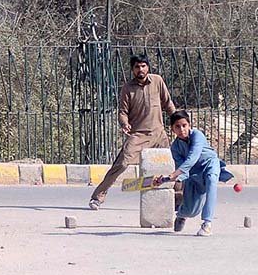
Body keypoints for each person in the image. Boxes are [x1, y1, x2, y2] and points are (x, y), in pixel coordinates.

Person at [89, 54, 176, 210]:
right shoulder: (127, 88)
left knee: (170, 166)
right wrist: (124, 123)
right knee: (121, 164)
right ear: (132, 69)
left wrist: (178, 121)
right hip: (138, 135)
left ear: (148, 67)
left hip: (158, 134)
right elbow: (122, 111)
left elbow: (168, 104)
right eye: (137, 67)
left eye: (143, 66)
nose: (140, 69)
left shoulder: (157, 81)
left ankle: (178, 198)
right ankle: (98, 196)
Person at [158, 110, 233, 236]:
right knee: (191, 211)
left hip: (210, 164)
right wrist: (166, 179)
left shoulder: (197, 135)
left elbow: (192, 157)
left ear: (189, 125)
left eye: (184, 125)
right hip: (194, 176)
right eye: (177, 126)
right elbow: (183, 172)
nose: (181, 129)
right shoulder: (175, 147)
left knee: (211, 181)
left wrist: (174, 174)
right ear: (172, 129)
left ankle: (207, 223)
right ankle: (182, 214)